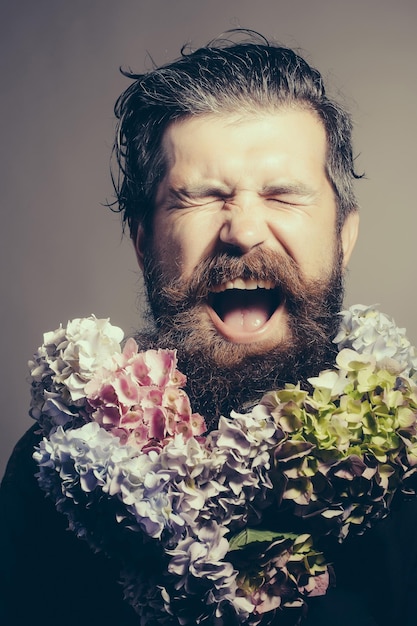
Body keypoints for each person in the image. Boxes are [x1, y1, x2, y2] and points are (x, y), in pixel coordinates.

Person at [1, 32, 416, 626]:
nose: (243, 230)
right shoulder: (53, 477)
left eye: (284, 196)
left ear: (342, 240)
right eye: (200, 198)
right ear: (144, 245)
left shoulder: (409, 478)